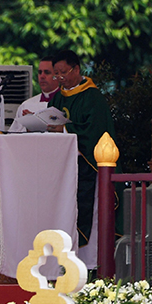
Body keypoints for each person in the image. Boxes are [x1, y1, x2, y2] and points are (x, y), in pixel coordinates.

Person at [48, 49, 117, 247]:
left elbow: (95, 131)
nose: (60, 78)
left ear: (76, 69)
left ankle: (90, 263)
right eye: (57, 74)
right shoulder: (58, 97)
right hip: (64, 166)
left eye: (64, 73)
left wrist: (65, 129)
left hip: (88, 165)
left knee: (85, 212)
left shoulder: (92, 97)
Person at [7, 57, 60, 133]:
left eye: (47, 72)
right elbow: (13, 134)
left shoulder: (67, 102)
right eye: (40, 72)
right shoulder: (27, 105)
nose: (42, 76)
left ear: (57, 75)